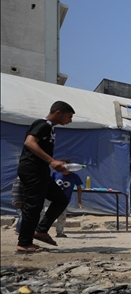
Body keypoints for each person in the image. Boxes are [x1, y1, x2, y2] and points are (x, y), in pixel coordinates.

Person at [16, 101, 75, 253]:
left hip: (41, 171)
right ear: (58, 113)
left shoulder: (50, 129)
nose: (70, 121)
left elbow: (40, 151)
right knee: (33, 205)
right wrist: (51, 161)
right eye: (69, 117)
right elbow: (29, 142)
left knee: (61, 199)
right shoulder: (43, 124)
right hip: (32, 170)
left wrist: (57, 163)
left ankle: (41, 230)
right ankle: (24, 243)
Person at [51, 159, 83, 237]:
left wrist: (79, 199)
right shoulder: (55, 174)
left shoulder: (74, 176)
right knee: (45, 214)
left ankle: (59, 232)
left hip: (64, 200)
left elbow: (79, 187)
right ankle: (40, 231)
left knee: (62, 216)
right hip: (51, 198)